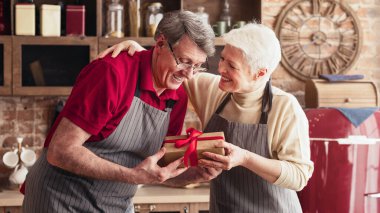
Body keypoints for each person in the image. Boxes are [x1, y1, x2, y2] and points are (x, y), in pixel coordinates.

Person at [99, 23, 314, 212]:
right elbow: (168, 64)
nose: (220, 69)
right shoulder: (211, 88)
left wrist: (245, 158)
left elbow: (298, 176)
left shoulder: (286, 108)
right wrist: (140, 51)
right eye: (222, 59)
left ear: (259, 73)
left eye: (232, 66)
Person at [22, 10, 219, 213]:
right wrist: (132, 175)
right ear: (160, 43)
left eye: (197, 66)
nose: (188, 75)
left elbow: (158, 169)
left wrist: (197, 174)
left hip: (115, 204)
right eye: (184, 61)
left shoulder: (178, 97)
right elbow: (60, 150)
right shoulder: (112, 74)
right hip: (60, 199)